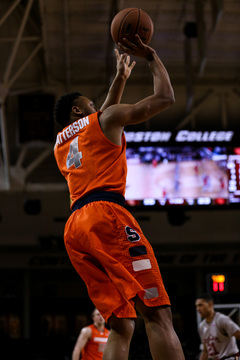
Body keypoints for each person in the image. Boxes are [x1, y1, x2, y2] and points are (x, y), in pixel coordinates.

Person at [54, 35, 185, 360]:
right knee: (157, 312)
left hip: (75, 229)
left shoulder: (60, 142)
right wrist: (152, 56)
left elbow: (101, 117)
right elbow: (165, 97)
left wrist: (121, 78)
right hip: (105, 215)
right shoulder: (104, 119)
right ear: (77, 109)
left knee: (122, 322)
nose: (97, 107)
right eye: (90, 105)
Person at [195, 293, 240, 360]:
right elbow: (205, 351)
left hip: (231, 357)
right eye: (196, 306)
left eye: (200, 305)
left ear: (210, 304)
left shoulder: (221, 319)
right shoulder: (201, 326)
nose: (198, 309)